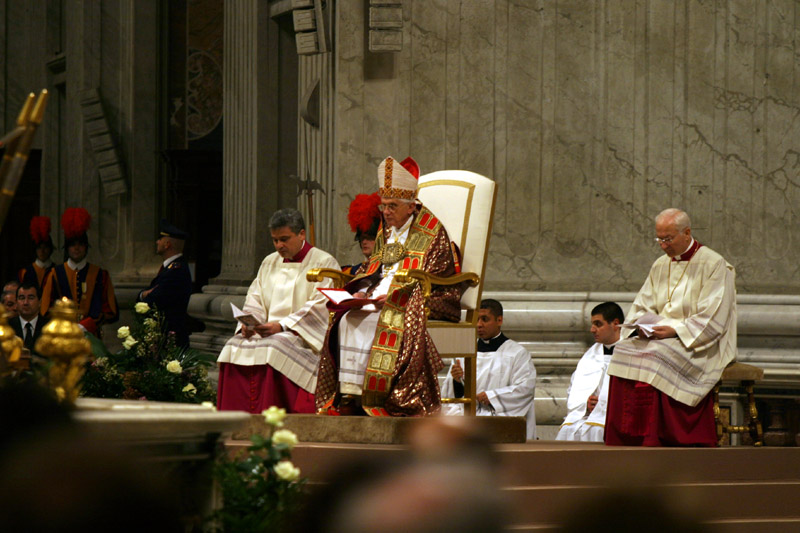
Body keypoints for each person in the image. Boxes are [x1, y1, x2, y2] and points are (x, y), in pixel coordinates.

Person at [315, 156, 465, 417]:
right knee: (347, 317)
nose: (385, 212)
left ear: (411, 206)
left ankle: (382, 398)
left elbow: (437, 275)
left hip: (421, 296)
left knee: (381, 320)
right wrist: (362, 291)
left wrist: (396, 295)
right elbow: (375, 267)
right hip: (380, 296)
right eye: (383, 206)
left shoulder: (432, 230)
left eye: (392, 206)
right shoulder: (386, 228)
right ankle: (351, 394)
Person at [605, 208, 737, 446]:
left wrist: (676, 330)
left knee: (655, 355)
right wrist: (641, 327)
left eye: (668, 239)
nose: (663, 246)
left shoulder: (714, 264)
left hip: (696, 340)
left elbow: (715, 313)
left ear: (687, 233)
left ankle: (656, 436)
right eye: (659, 239)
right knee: (623, 349)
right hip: (660, 336)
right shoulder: (660, 265)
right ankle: (626, 435)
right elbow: (643, 304)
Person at [216, 208, 340, 414]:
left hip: (300, 336)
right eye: (275, 240)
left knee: (275, 346)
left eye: (284, 239)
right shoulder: (269, 261)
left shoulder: (323, 262)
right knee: (233, 345)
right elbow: (255, 296)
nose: (279, 246)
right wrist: (248, 324)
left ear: (301, 234)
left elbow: (321, 305)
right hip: (266, 331)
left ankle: (270, 416)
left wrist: (282, 326)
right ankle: (234, 418)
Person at [441, 299, 537, 440]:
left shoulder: (517, 353)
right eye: (477, 319)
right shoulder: (465, 351)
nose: (479, 325)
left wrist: (492, 396)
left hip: (499, 420)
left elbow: (525, 389)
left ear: (499, 320)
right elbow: (453, 397)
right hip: (469, 422)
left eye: (485, 319)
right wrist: (456, 381)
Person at [40, 208, 119, 337]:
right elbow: (45, 309)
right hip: (62, 335)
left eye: (81, 244)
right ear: (67, 248)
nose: (76, 248)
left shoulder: (99, 274)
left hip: (91, 335)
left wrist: (86, 325)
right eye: (72, 245)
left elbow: (109, 309)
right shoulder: (54, 273)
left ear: (86, 247)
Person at [556, 302, 623, 442]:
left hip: (614, 418)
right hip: (588, 416)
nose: (592, 329)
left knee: (597, 430)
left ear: (615, 324)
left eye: (598, 324)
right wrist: (585, 402)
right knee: (568, 429)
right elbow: (573, 388)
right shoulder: (590, 355)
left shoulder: (632, 352)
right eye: (592, 324)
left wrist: (605, 403)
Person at [137, 220, 193, 347]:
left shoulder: (176, 271)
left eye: (160, 239)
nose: (157, 242)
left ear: (167, 244)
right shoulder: (170, 268)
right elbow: (146, 294)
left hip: (171, 339)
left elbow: (153, 300)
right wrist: (143, 294)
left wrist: (144, 295)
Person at [342, 193, 381, 276]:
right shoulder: (353, 271)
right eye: (362, 238)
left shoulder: (386, 270)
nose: (364, 242)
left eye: (369, 238)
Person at [9, 282, 48, 355]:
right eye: (22, 298)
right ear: (16, 302)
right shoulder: (8, 327)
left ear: (40, 302)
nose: (25, 302)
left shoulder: (49, 327)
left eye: (31, 298)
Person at [18, 215, 55, 291]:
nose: (42, 251)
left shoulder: (56, 270)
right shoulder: (25, 272)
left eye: (45, 247)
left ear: (50, 249)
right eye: (39, 248)